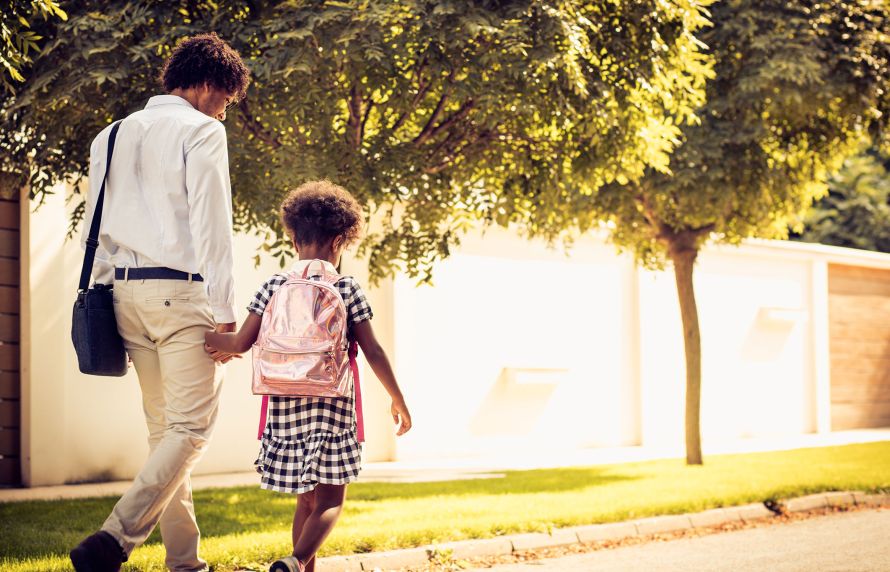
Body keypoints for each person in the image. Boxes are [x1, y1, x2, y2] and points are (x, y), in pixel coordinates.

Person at [70, 33, 250, 572]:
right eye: (225, 98)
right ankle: (114, 539)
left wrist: (102, 289)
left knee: (164, 433)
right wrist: (227, 311)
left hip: (124, 294)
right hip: (182, 295)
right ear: (204, 85)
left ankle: (185, 562)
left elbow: (96, 226)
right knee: (190, 431)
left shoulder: (113, 133)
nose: (225, 111)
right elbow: (212, 226)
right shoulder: (201, 132)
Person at [204, 180, 412, 572]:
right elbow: (374, 351)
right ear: (339, 242)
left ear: (294, 239)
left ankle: (298, 568)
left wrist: (198, 337)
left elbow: (240, 343)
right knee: (332, 500)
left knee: (306, 499)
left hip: (285, 409)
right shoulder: (346, 287)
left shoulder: (273, 286)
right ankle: (296, 562)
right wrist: (397, 398)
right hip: (333, 408)